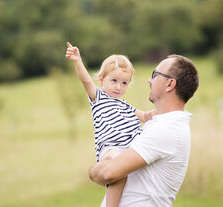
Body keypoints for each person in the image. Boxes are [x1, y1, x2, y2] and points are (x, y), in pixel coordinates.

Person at [89, 54, 199, 207]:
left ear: (170, 84)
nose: (149, 80)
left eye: (155, 75)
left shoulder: (166, 129)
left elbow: (109, 173)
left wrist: (93, 171)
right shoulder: (160, 123)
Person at [65, 42, 156, 207]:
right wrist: (77, 61)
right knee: (117, 167)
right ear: (101, 79)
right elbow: (85, 80)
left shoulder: (125, 105)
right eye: (114, 80)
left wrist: (153, 114)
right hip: (111, 149)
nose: (118, 87)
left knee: (129, 173)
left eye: (124, 83)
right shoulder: (98, 98)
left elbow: (142, 115)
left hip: (130, 149)